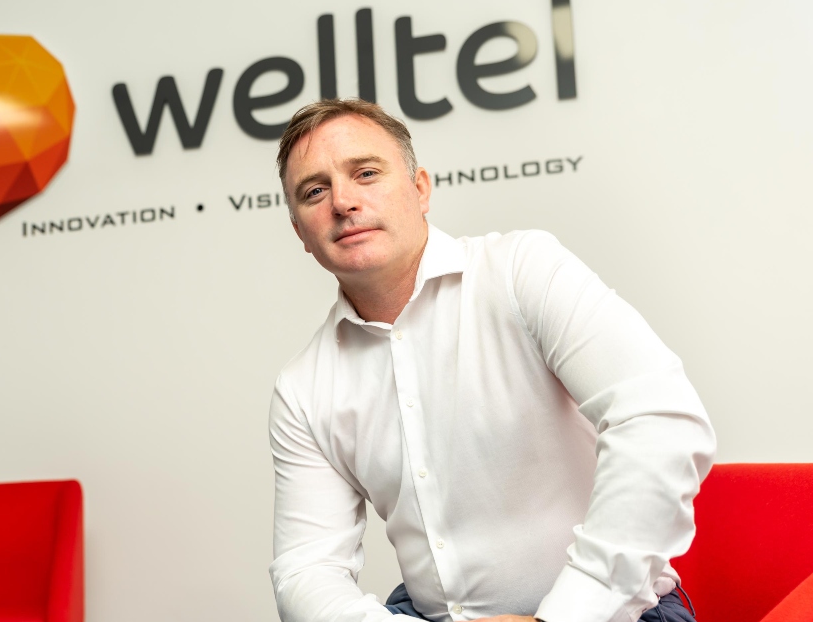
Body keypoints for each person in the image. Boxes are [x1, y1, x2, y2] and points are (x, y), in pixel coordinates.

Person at [267, 98, 716, 622]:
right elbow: (305, 569)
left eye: (365, 173)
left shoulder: (522, 271)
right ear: (300, 231)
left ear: (419, 189)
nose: (343, 201)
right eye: (314, 191)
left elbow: (660, 419)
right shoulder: (303, 388)